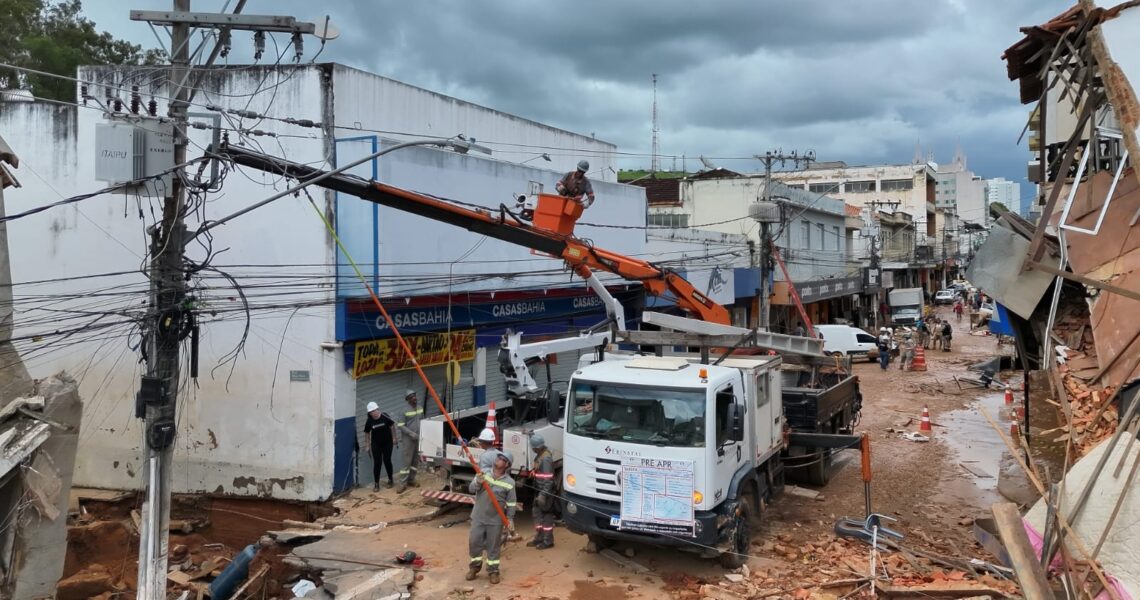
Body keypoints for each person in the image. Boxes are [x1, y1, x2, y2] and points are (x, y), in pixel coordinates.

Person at [467, 451, 517, 584]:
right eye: (499, 457)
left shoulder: (510, 483)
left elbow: (511, 503)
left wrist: (510, 519)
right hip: (478, 516)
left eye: (502, 459)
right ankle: (474, 568)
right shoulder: (483, 473)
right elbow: (471, 489)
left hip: (495, 521)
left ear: (507, 465)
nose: (499, 459)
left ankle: (493, 571)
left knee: (493, 546)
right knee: (474, 543)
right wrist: (478, 482)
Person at [527, 434, 556, 550]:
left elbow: (548, 479)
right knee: (536, 514)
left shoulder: (546, 458)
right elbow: (541, 473)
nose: (533, 449)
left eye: (533, 447)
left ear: (537, 447)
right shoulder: (540, 456)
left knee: (546, 516)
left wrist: (543, 495)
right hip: (538, 490)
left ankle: (548, 541)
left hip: (545, 492)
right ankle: (539, 537)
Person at [363, 401, 396, 490]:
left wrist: (394, 438)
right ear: (369, 413)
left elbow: (392, 425)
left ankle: (390, 479)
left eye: (376, 410)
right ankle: (376, 484)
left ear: (378, 409)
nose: (375, 412)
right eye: (372, 411)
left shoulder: (385, 416)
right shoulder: (369, 421)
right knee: (377, 463)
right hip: (376, 444)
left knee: (387, 460)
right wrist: (367, 445)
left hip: (387, 443)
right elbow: (367, 432)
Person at [396, 390, 423, 493]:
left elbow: (422, 420)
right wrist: (411, 433)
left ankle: (412, 479)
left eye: (414, 396)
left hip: (419, 437)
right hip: (408, 439)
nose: (414, 398)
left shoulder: (420, 408)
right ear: (407, 399)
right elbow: (400, 425)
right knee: (406, 462)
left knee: (415, 460)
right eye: (411, 397)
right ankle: (402, 483)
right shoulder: (403, 410)